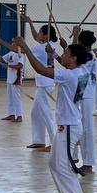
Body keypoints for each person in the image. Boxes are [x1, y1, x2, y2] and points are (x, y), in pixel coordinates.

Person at [17, 36, 93, 193]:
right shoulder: (81, 71)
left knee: (63, 166)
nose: (63, 57)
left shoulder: (70, 75)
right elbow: (64, 65)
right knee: (53, 164)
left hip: (69, 127)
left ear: (74, 58)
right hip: (67, 125)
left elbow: (41, 70)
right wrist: (55, 54)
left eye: (66, 54)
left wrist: (25, 48)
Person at [23, 15, 59, 151]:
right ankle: (39, 140)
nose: (38, 35)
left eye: (40, 32)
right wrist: (30, 22)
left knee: (45, 113)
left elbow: (23, 50)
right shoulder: (49, 45)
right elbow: (36, 37)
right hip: (44, 83)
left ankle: (54, 143)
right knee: (35, 113)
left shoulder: (43, 48)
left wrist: (3, 43)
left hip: (45, 84)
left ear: (45, 35)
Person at [76, 29, 97, 174]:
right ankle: (75, 156)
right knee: (79, 126)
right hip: (82, 94)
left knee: (86, 129)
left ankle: (88, 162)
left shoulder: (89, 57)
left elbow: (73, 64)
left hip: (87, 95)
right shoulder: (87, 55)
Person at [0, 31, 25, 122]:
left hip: (16, 78)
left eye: (14, 42)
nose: (12, 43)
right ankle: (11, 114)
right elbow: (2, 59)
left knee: (16, 97)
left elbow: (20, 66)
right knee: (10, 96)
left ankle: (19, 115)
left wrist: (9, 66)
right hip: (10, 77)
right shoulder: (11, 53)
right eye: (12, 42)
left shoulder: (21, 53)